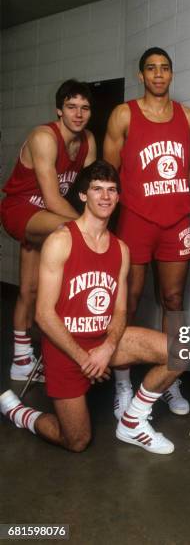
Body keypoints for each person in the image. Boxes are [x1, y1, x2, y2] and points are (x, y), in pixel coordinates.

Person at [0, 160, 184, 454]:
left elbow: (121, 311)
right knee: (76, 440)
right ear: (83, 195)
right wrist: (83, 358)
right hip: (65, 347)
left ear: (119, 197)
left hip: (102, 343)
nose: (105, 196)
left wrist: (107, 348)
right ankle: (22, 414)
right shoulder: (61, 241)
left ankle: (133, 421)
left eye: (112, 190)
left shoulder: (120, 250)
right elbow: (43, 315)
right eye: (97, 189)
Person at [103, 47, 190, 420]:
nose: (158, 74)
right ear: (141, 76)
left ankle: (170, 380)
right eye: (151, 69)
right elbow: (108, 176)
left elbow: (187, 170)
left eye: (165, 68)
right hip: (135, 219)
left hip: (174, 221)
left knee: (174, 299)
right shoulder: (123, 114)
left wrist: (173, 203)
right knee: (130, 297)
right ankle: (123, 382)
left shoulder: (189, 117)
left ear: (171, 74)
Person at [1, 79, 96, 383]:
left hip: (46, 215)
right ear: (59, 110)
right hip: (20, 209)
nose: (78, 114)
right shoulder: (44, 137)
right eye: (71, 107)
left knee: (29, 289)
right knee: (72, 232)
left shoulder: (88, 142)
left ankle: (21, 361)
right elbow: (54, 198)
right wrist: (91, 227)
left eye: (84, 108)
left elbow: (87, 191)